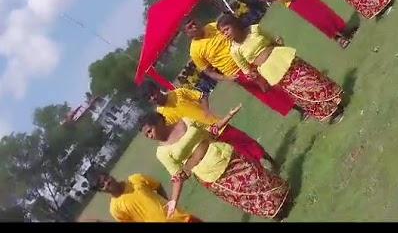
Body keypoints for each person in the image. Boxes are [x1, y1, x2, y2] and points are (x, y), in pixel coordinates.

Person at [140, 112, 290, 220]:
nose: (150, 136)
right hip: (210, 174)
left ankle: (285, 196)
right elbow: (178, 176)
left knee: (257, 176)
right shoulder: (162, 152)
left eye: (149, 131)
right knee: (244, 194)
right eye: (146, 135)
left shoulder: (185, 121)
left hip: (224, 153)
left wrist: (227, 117)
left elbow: (210, 130)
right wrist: (173, 201)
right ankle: (276, 212)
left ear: (158, 122)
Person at [218, 15, 344, 122]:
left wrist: (279, 42)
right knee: (298, 91)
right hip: (271, 70)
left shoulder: (254, 29)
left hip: (281, 56)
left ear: (235, 24)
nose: (225, 34)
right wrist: (253, 76)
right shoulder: (234, 51)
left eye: (226, 29)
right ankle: (331, 112)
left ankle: (336, 99)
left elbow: (273, 40)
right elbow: (246, 70)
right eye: (222, 33)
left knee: (309, 78)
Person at [142, 81, 278, 170]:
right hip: (206, 139)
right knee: (237, 157)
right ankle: (261, 171)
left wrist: (206, 111)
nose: (153, 98)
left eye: (152, 93)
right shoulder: (160, 117)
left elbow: (202, 96)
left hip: (216, 124)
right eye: (149, 98)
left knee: (245, 141)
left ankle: (270, 160)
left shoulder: (179, 93)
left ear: (157, 89)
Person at [185, 18, 296, 116]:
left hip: (248, 56)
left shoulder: (212, 26)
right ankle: (294, 108)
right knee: (265, 91)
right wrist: (227, 78)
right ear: (187, 33)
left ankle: (298, 99)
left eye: (194, 23)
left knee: (276, 78)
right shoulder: (194, 51)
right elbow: (208, 72)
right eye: (190, 27)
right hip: (235, 71)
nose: (194, 27)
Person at [92, 172, 202, 223]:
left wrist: (169, 207)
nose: (107, 182)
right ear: (101, 191)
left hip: (182, 219)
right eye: (102, 184)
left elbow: (157, 186)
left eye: (106, 178)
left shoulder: (135, 179)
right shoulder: (115, 209)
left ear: (110, 175)